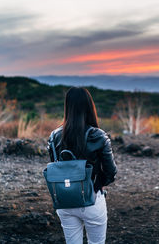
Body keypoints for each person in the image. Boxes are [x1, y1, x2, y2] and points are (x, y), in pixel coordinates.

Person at [47, 86, 118, 244]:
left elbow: (55, 167)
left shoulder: (54, 136)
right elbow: (111, 172)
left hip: (64, 201)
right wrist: (101, 184)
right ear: (89, 106)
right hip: (92, 199)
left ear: (68, 107)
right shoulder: (98, 136)